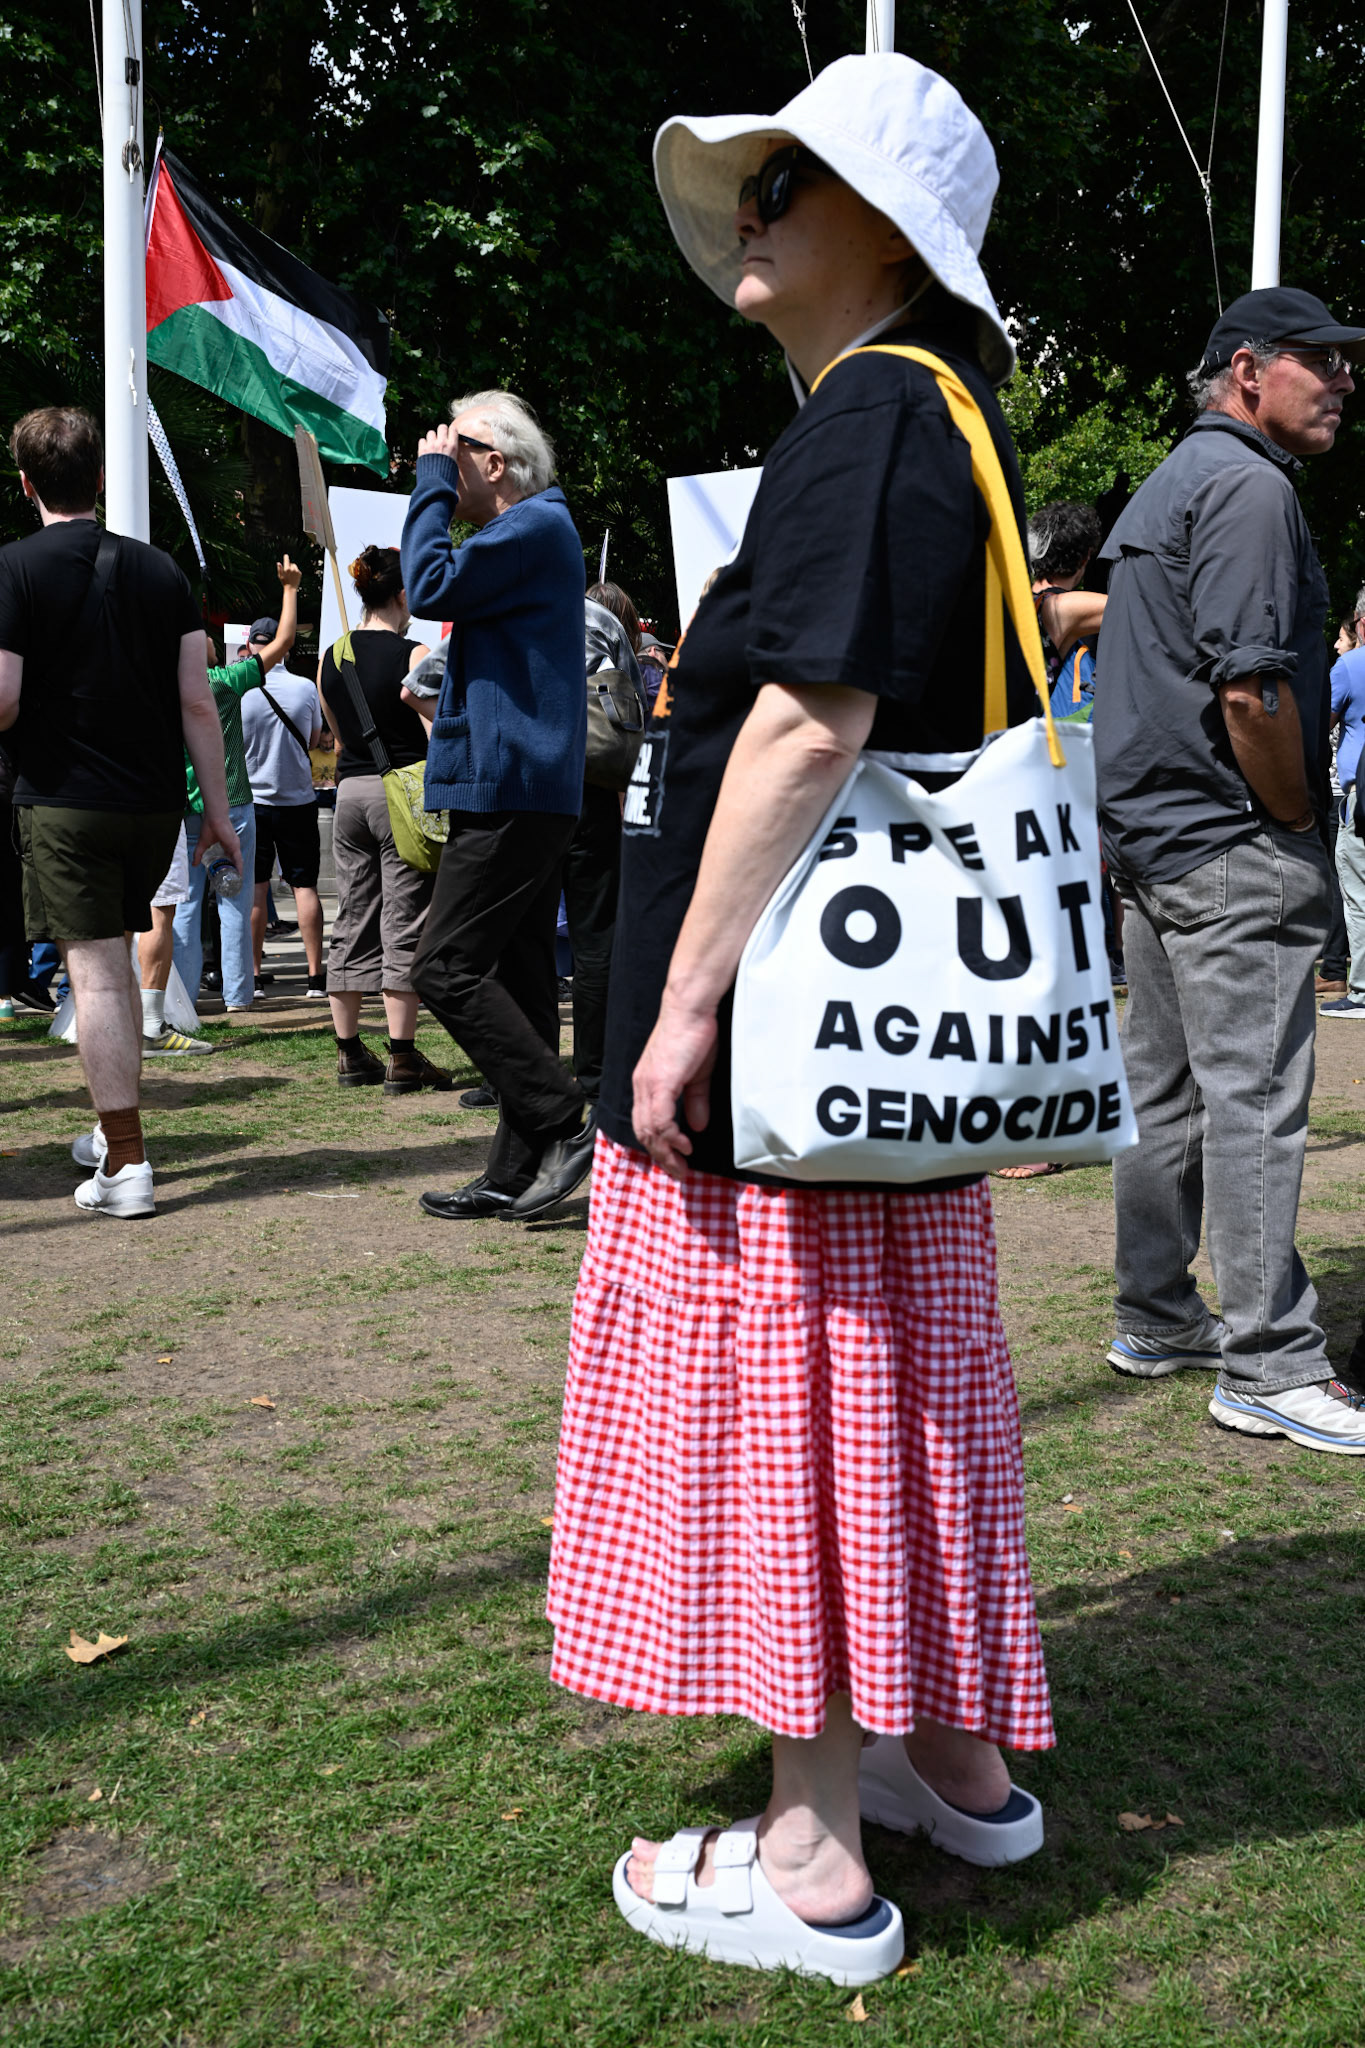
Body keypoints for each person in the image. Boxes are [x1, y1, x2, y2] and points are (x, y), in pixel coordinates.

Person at [547, 55, 1053, 1985]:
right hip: (883, 1056)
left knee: (800, 1403)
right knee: (893, 1386)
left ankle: (815, 1850)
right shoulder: (949, 425)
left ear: (888, 230)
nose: (750, 210)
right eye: (752, 183)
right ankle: (953, 1759)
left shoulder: (868, 424)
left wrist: (680, 1008)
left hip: (791, 1048)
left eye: (789, 181)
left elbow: (809, 717)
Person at [1093, 285, 1365, 1453]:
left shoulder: (1174, 477)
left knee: (1163, 1092)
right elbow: (1251, 689)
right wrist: (1296, 818)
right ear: (1250, 369)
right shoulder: (1251, 487)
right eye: (1325, 360)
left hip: (1153, 840)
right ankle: (1268, 1359)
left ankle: (1157, 1312)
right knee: (1254, 1104)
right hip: (1226, 838)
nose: (1346, 380)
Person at [0, 404, 239, 1216]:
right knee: (116, 973)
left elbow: (3, 701)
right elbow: (197, 704)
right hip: (153, 803)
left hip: (66, 800)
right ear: (101, 477)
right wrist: (217, 812)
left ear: (26, 483)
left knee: (96, 979)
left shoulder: (12, 568)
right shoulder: (162, 570)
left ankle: (127, 1166)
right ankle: (110, 1132)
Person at [400, 390, 591, 1221]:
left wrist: (427, 484)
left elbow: (425, 585)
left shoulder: (532, 526)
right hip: (518, 782)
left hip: (514, 784)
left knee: (442, 966)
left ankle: (564, 1121)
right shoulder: (525, 531)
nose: (439, 450)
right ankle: (515, 1170)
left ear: (494, 461)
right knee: (513, 977)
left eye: (456, 442)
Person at [317, 545, 452, 1096]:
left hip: (348, 794)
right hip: (400, 794)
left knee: (351, 914)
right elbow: (438, 735)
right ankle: (401, 1055)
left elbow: (338, 736)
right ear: (402, 594)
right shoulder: (416, 654)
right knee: (405, 920)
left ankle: (350, 1052)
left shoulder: (332, 655)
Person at [172, 568, 299, 1018]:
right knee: (234, 901)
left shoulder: (163, 690)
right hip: (232, 808)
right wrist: (288, 588)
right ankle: (238, 996)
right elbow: (282, 643)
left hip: (185, 811)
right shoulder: (223, 683)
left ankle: (184, 999)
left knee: (185, 908)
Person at [563, 579, 645, 1104]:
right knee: (595, 939)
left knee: (521, 941)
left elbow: (420, 684)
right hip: (589, 788)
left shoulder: (497, 605)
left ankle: (517, 1079)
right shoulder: (602, 623)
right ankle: (592, 1075)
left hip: (520, 789)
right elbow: (632, 704)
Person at [241, 637, 326, 997]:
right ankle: (314, 977)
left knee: (257, 889)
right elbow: (314, 739)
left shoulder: (240, 687)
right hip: (298, 799)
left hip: (253, 800)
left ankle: (255, 975)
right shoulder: (305, 687)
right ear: (285, 649)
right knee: (304, 886)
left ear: (250, 646)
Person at [1322, 582, 1365, 1018]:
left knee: (1357, 893)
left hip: (1360, 797)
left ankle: (1363, 992)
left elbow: (1322, 725)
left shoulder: (1350, 666)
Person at [1028, 500, 1105, 720]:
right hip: (1045, 743)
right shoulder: (1062, 608)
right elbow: (1141, 606)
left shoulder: (1022, 605)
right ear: (1084, 558)